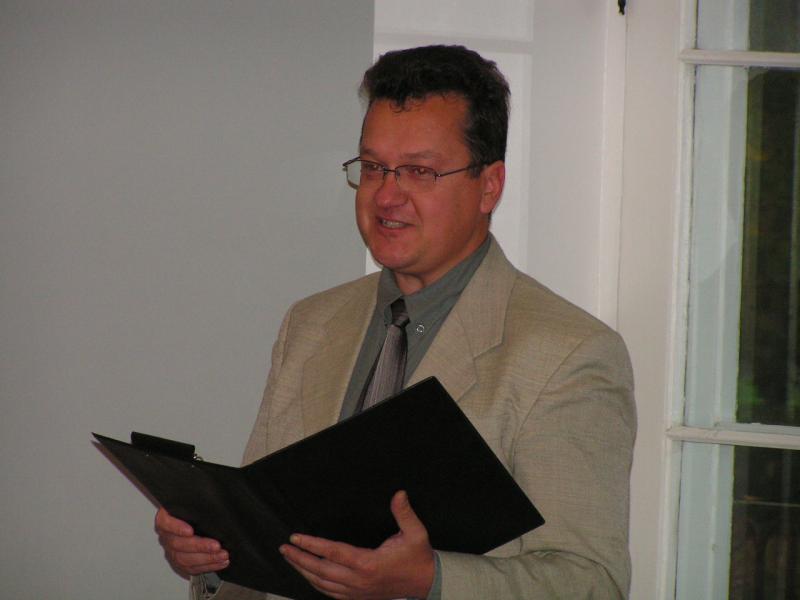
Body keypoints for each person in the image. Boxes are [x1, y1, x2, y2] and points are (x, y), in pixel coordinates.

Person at [155, 45, 636, 600]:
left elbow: (592, 582)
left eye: (419, 171)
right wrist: (215, 557)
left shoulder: (569, 355)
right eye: (373, 167)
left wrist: (432, 581)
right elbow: (266, 529)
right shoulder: (310, 324)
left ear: (490, 186)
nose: (386, 195)